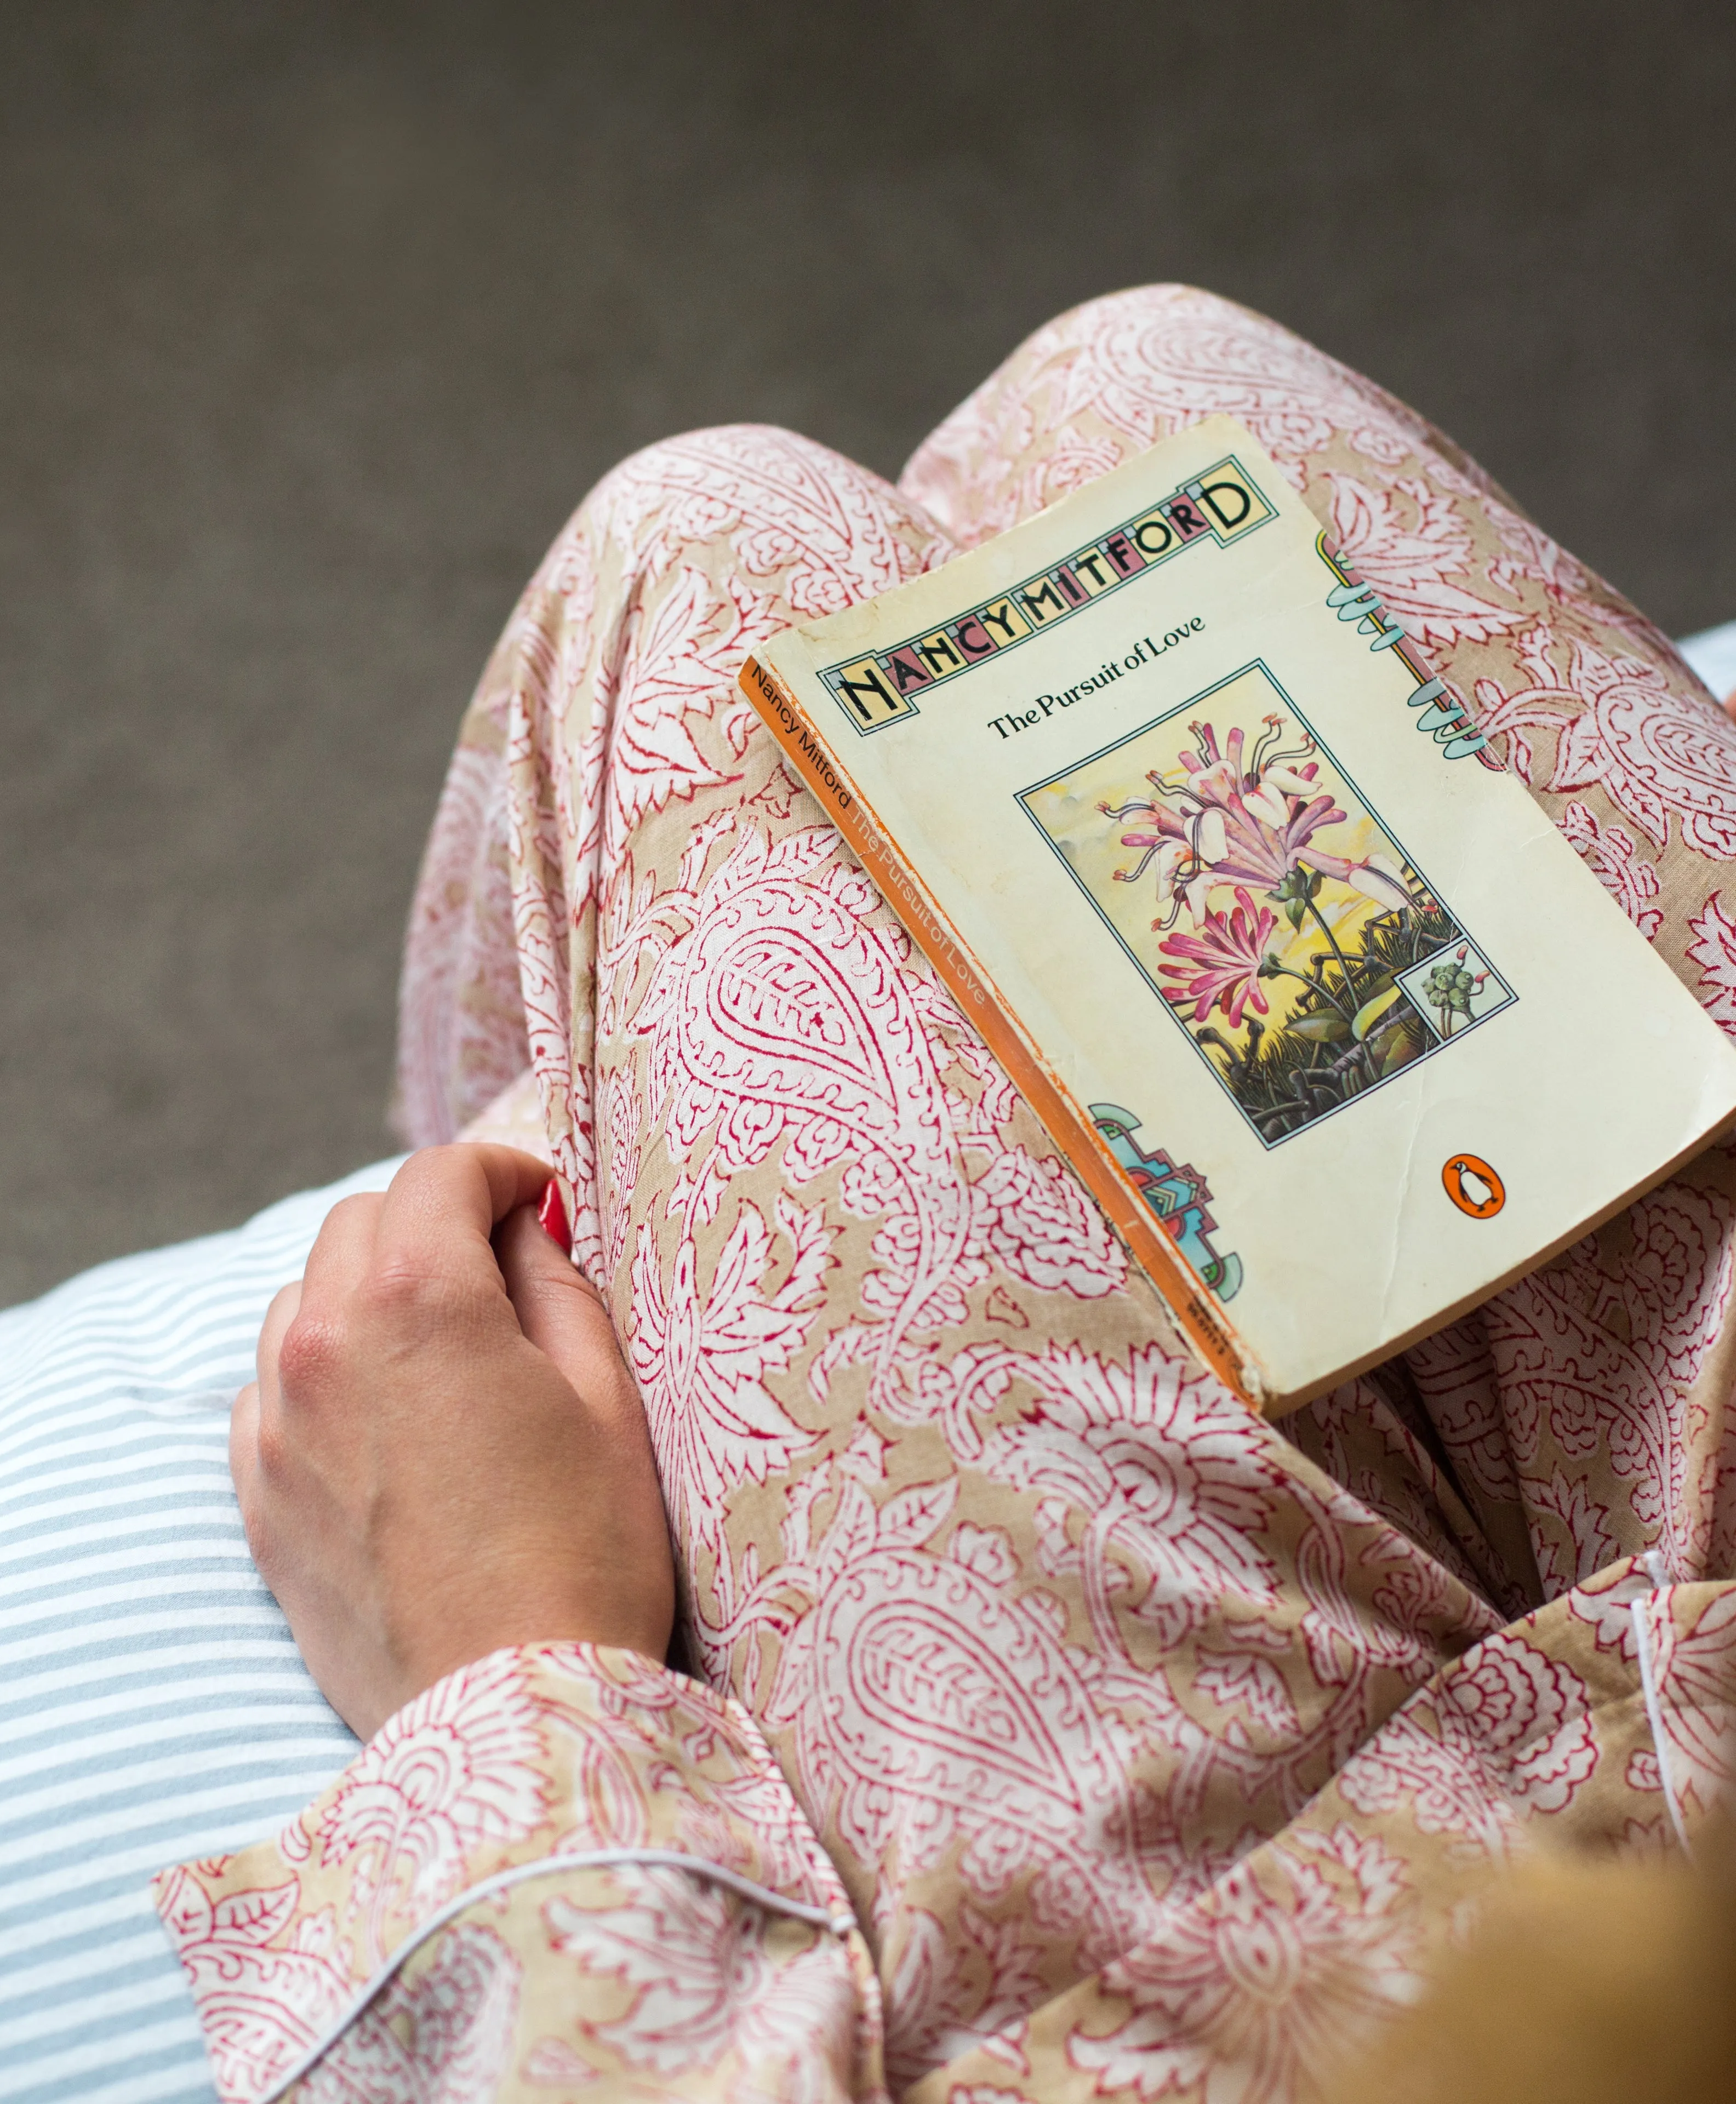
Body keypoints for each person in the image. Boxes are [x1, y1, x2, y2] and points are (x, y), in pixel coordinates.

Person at [158, 284, 1736, 2103]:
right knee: (1139, 392)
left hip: (1229, 2032)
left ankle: (577, 1122)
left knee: (703, 540)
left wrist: (506, 1664)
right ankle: (603, 1105)